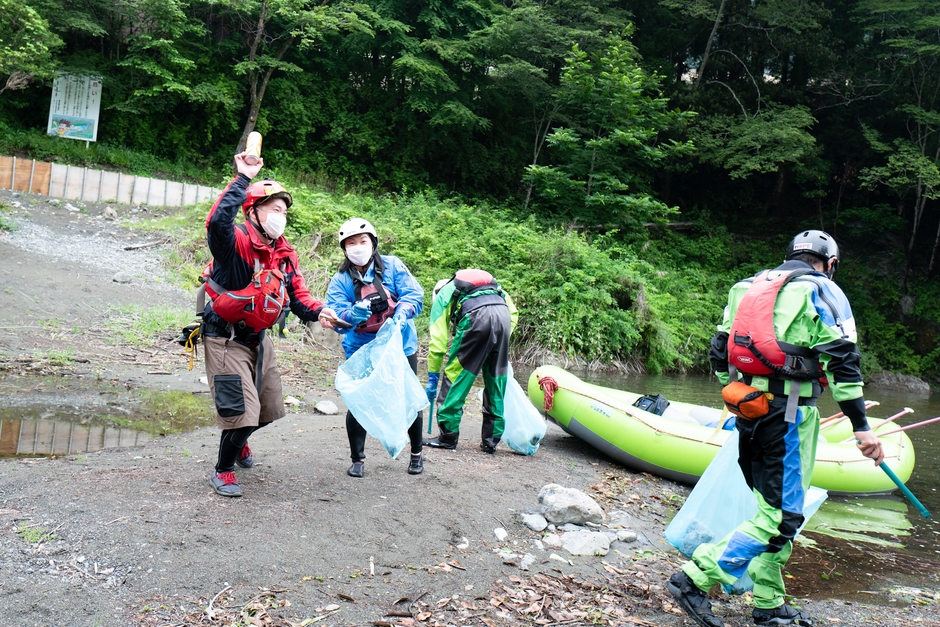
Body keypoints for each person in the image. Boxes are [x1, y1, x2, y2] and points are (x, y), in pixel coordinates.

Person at [666, 230, 885, 627]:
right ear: (830, 264)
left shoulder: (746, 287)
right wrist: (862, 427)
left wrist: (737, 394)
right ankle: (695, 580)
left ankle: (768, 602)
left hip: (748, 409)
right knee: (781, 517)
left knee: (776, 511)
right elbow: (842, 362)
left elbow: (719, 350)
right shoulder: (821, 291)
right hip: (789, 417)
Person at [203, 153, 339, 498]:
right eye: (275, 210)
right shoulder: (234, 244)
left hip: (258, 339)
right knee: (240, 413)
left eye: (284, 211)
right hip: (224, 337)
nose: (282, 217)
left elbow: (299, 296)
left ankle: (240, 442)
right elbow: (217, 222)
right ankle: (223, 470)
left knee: (267, 409)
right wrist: (242, 179)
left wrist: (320, 312)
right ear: (253, 212)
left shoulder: (283, 252)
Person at [326, 218, 425, 478]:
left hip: (400, 343)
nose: (357, 247)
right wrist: (352, 315)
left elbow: (413, 295)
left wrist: (402, 313)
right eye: (351, 243)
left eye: (362, 241)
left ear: (373, 243)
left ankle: (416, 454)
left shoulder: (392, 266)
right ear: (344, 248)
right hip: (361, 346)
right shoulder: (340, 280)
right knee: (358, 401)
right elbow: (336, 316)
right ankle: (357, 459)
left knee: (408, 398)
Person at [423, 269, 518, 453]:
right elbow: (513, 313)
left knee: (455, 375)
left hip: (475, 319)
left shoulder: (444, 294)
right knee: (496, 379)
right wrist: (495, 340)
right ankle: (491, 441)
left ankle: (447, 437)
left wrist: (433, 377)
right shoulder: (491, 287)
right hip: (504, 319)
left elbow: (437, 345)